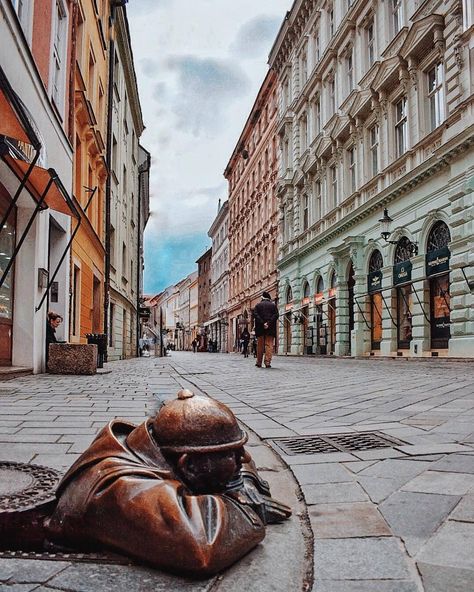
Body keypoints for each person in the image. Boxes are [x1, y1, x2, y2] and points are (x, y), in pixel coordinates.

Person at [46, 389, 291, 576]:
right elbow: (202, 543)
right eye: (232, 454)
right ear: (187, 465)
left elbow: (234, 461)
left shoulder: (158, 446)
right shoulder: (126, 488)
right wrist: (246, 505)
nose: (245, 458)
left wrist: (243, 482)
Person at [253, 291, 279, 368]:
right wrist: (268, 323)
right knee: (269, 345)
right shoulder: (273, 306)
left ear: (262, 298)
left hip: (260, 329)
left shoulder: (258, 305)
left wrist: (262, 323)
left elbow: (256, 315)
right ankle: (267, 362)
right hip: (270, 329)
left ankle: (259, 362)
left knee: (260, 346)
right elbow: (276, 315)